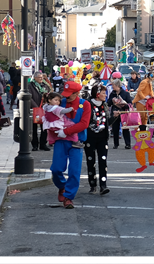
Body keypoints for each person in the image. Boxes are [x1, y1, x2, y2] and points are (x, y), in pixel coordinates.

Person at [50, 81, 92, 209]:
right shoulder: (60, 102)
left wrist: (66, 131)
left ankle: (68, 197)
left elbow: (84, 124)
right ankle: (62, 186)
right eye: (65, 95)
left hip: (77, 141)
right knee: (56, 169)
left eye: (69, 95)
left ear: (77, 93)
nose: (66, 98)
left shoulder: (85, 105)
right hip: (61, 140)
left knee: (74, 171)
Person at [86, 84, 110, 195]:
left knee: (103, 161)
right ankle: (92, 184)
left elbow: (107, 121)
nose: (106, 95)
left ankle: (103, 185)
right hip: (90, 137)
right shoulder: (88, 105)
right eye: (104, 93)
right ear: (97, 94)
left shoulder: (104, 105)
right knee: (91, 161)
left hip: (102, 137)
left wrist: (115, 115)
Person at [29, 71, 52, 151]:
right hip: (34, 108)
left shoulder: (45, 85)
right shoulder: (30, 85)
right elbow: (29, 97)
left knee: (44, 127)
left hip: (44, 108)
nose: (41, 79)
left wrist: (47, 100)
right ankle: (34, 145)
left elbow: (49, 93)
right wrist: (35, 106)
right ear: (35, 78)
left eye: (42, 77)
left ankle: (43, 144)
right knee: (34, 127)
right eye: (39, 77)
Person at [108, 79, 133, 149]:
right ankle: (116, 144)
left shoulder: (125, 93)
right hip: (115, 112)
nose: (112, 87)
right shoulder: (112, 93)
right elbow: (108, 103)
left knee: (125, 128)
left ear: (117, 85)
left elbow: (130, 104)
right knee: (115, 129)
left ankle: (128, 144)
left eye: (113, 85)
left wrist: (123, 104)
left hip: (123, 113)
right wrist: (112, 101)